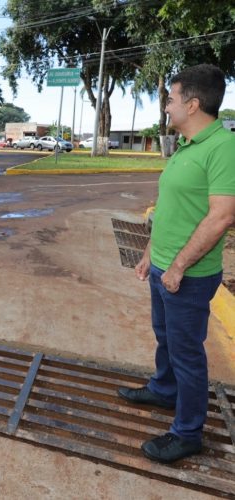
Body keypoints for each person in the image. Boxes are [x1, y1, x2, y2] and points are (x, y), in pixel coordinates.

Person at [118, 64, 235, 463]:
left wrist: (179, 266)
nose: (166, 107)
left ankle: (187, 433)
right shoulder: (187, 146)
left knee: (187, 353)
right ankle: (164, 390)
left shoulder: (223, 148)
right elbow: (173, 209)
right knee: (166, 338)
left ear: (193, 103)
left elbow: (222, 215)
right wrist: (151, 255)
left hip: (189, 275)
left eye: (170, 99)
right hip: (163, 268)